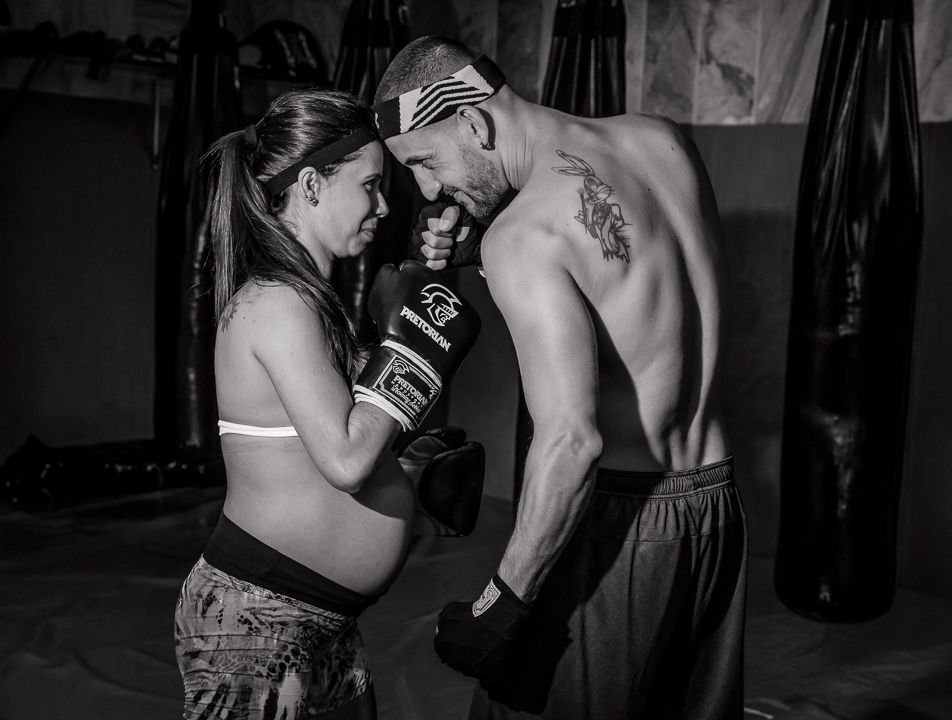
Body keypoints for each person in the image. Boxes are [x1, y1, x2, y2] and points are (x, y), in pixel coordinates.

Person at [373, 38, 747, 719]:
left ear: (477, 123)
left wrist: (500, 605)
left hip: (623, 525)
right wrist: (486, 238)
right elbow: (627, 281)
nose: (427, 191)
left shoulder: (522, 238)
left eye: (425, 163)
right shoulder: (661, 141)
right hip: (714, 507)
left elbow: (572, 442)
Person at [173, 88, 483, 719]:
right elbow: (345, 459)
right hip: (258, 622)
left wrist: (408, 469)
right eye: (370, 185)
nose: (384, 204)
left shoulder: (313, 302)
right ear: (311, 184)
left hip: (314, 619)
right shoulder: (276, 303)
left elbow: (338, 442)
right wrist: (413, 356)